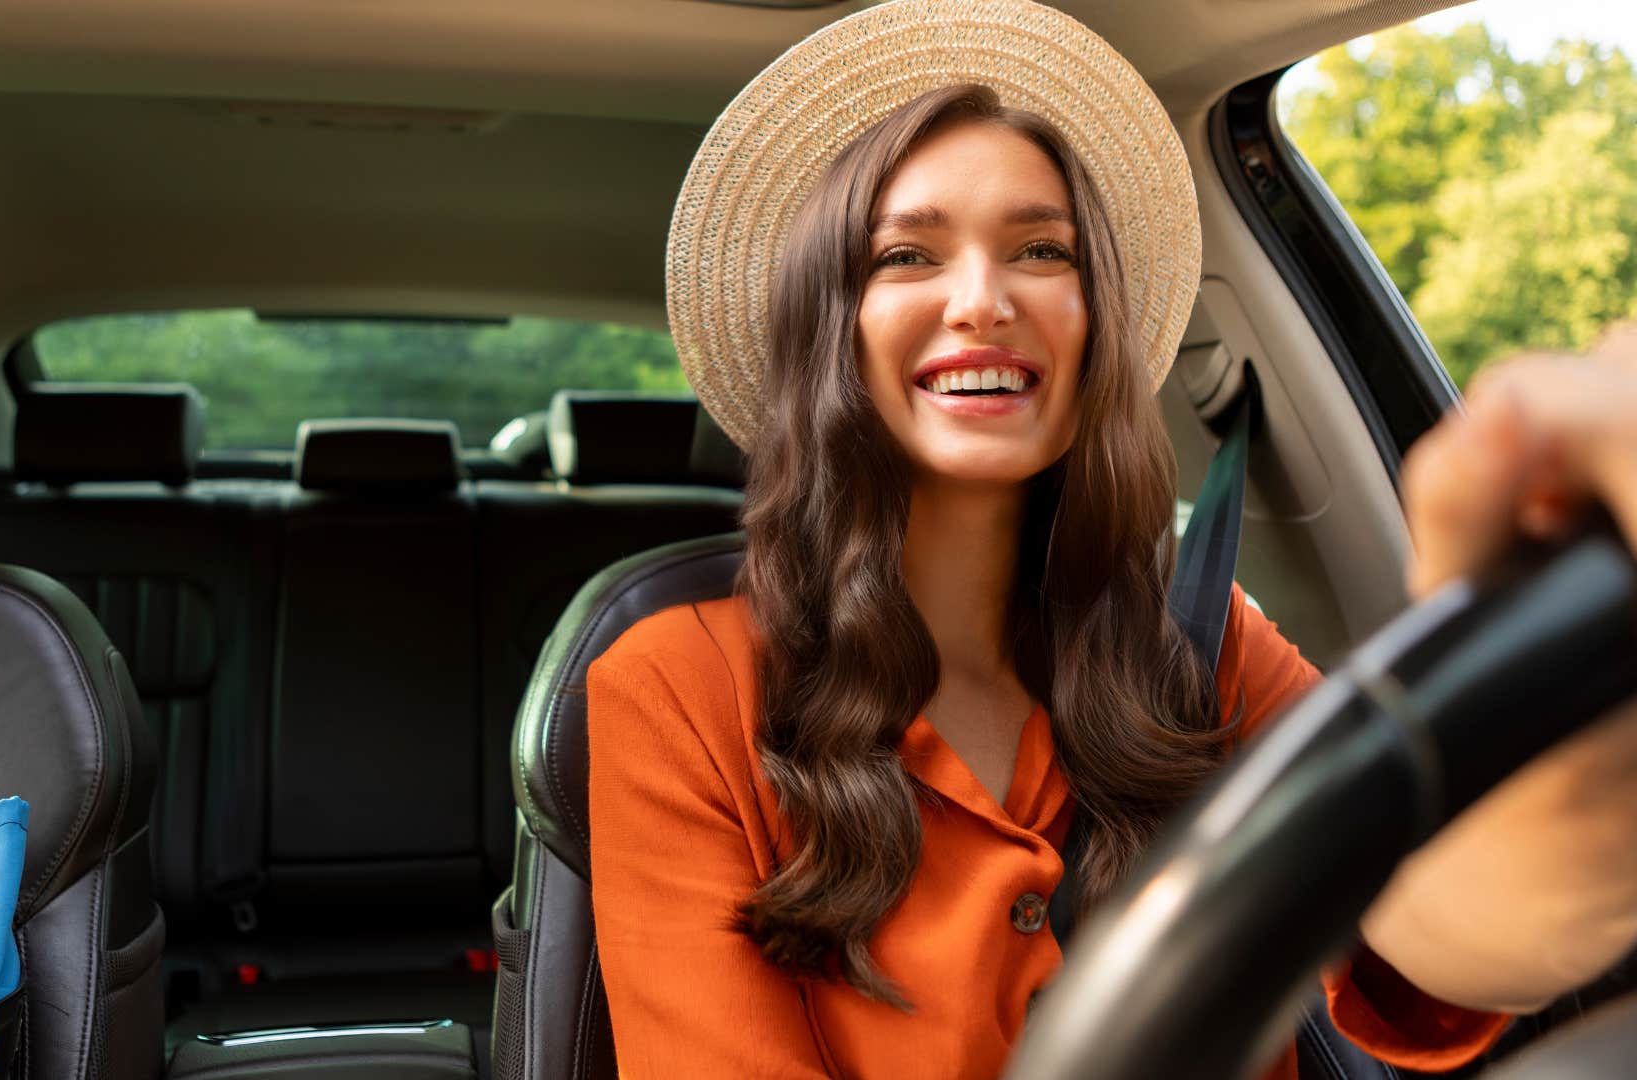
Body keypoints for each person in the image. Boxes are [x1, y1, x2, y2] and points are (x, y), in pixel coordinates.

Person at [586, 1, 1637, 1077]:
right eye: (907, 254)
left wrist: (1598, 795)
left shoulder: (1201, 638)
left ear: (1091, 320)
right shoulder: (673, 692)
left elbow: (1418, 920)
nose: (984, 301)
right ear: (829, 330)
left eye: (1042, 249)